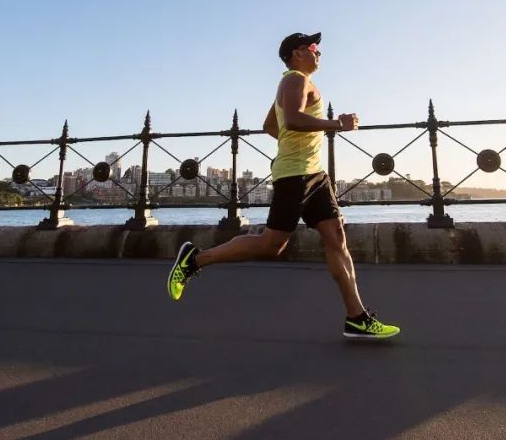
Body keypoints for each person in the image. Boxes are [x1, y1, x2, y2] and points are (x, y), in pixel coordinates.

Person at [167, 32, 399, 339]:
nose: (319, 52)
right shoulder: (294, 80)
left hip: (315, 174)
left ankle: (357, 317)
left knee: (336, 238)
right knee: (271, 245)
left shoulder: (297, 82)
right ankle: (194, 260)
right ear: (296, 52)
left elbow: (270, 126)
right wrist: (336, 125)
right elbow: (290, 120)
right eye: (313, 47)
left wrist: (298, 145)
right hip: (295, 176)